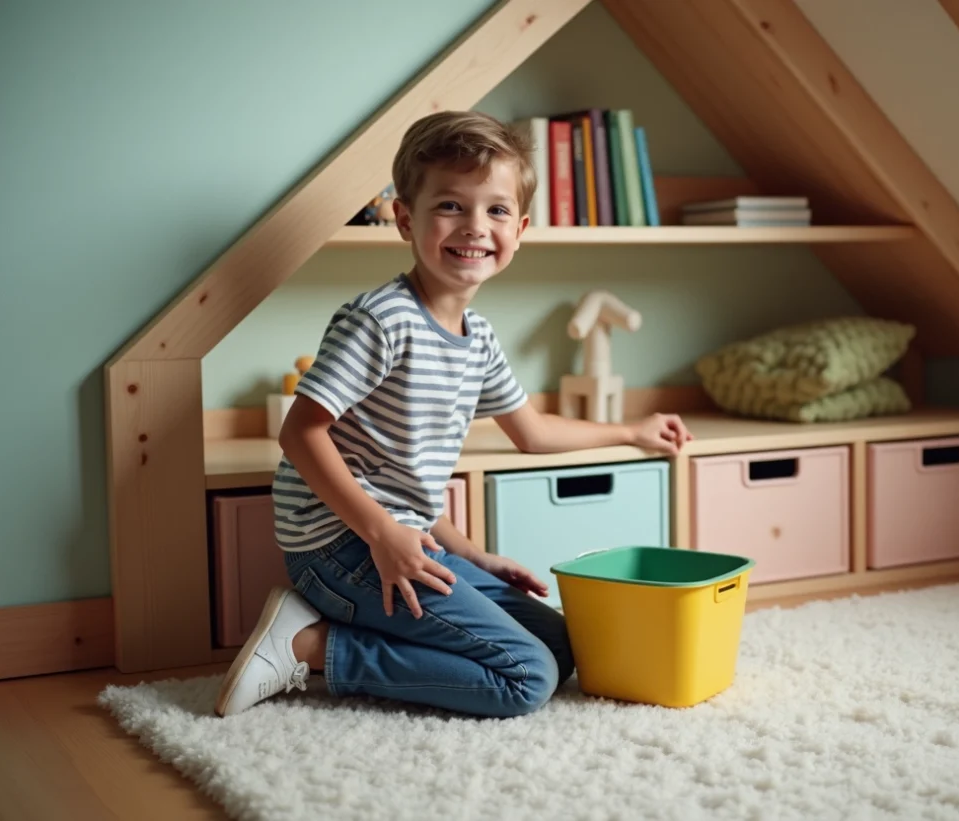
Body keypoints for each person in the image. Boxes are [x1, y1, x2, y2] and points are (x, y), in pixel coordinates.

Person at [214, 110, 692, 719]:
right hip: (338, 545)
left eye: (496, 210)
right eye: (450, 206)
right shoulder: (380, 320)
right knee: (527, 678)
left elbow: (532, 432)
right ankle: (310, 646)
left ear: (519, 230)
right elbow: (300, 433)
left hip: (400, 535)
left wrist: (631, 431)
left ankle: (348, 625)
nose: (475, 227)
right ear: (405, 219)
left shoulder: (478, 338)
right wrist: (382, 533)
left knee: (562, 646)